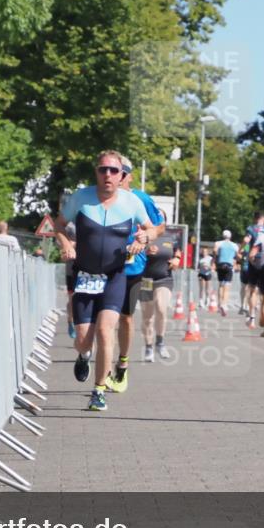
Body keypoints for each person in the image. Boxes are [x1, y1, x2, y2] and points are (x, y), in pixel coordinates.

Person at [54, 151, 157, 412]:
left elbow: (152, 228)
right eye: (103, 170)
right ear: (96, 172)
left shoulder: (132, 202)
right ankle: (83, 355)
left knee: (105, 330)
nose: (108, 175)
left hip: (115, 276)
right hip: (85, 276)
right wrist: (66, 244)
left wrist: (143, 238)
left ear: (122, 174)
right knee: (83, 339)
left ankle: (99, 390)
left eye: (114, 171)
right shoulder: (80, 198)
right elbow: (59, 225)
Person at [106, 156, 165, 394]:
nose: (115, 175)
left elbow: (159, 226)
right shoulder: (101, 198)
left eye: (121, 171)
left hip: (133, 267)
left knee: (125, 318)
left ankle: (122, 363)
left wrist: (146, 238)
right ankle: (103, 370)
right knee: (104, 320)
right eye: (110, 170)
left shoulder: (140, 198)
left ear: (128, 175)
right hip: (105, 265)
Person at [140, 210, 181, 362]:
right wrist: (144, 251)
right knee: (147, 316)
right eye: (154, 217)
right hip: (145, 279)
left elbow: (177, 251)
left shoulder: (171, 237)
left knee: (162, 308)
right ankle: (149, 347)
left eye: (160, 218)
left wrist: (177, 258)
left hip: (164, 277)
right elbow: (131, 253)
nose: (157, 220)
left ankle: (160, 342)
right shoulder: (143, 235)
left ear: (164, 221)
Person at [244, 212, 264, 328]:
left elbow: (247, 240)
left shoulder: (251, 228)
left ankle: (252, 317)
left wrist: (241, 249)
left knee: (252, 289)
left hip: (254, 260)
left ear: (255, 218)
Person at [213, 229, 239, 316]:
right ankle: (224, 304)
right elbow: (237, 255)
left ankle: (220, 303)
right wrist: (235, 260)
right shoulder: (234, 245)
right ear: (230, 236)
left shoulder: (218, 243)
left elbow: (215, 251)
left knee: (221, 285)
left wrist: (215, 259)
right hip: (229, 265)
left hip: (220, 265)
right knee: (227, 287)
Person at [237, 234, 253, 315]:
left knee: (250, 288)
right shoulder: (247, 246)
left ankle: (247, 307)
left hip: (252, 268)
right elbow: (239, 253)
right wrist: (241, 258)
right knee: (244, 287)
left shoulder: (256, 245)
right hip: (245, 268)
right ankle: (243, 306)